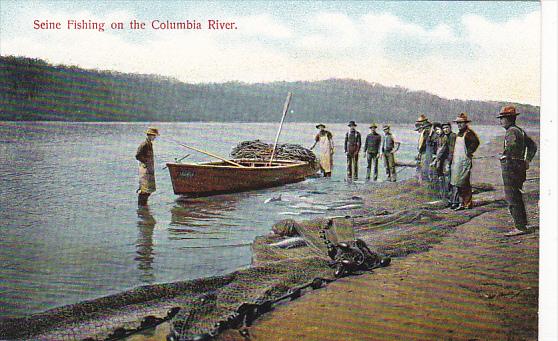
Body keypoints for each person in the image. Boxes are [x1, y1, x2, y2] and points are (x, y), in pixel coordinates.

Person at [497, 105, 538, 236]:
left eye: (502, 118)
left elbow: (512, 146)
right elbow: (532, 146)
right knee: (517, 196)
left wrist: (505, 155)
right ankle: (523, 224)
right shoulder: (520, 131)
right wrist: (526, 160)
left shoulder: (511, 131)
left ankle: (520, 227)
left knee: (512, 197)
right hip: (519, 167)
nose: (501, 121)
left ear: (509, 119)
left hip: (511, 167)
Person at [449, 113, 480, 210]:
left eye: (461, 123)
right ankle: (461, 202)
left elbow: (476, 142)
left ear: (465, 123)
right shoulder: (459, 133)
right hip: (457, 160)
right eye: (458, 123)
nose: (459, 125)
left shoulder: (469, 133)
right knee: (457, 182)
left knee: (464, 182)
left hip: (464, 161)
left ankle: (467, 203)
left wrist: (469, 152)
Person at [136, 127, 159, 206]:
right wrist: (145, 162)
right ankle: (141, 207)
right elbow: (137, 156)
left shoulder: (149, 143)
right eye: (154, 136)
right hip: (145, 169)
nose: (155, 137)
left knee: (148, 190)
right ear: (150, 135)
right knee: (144, 189)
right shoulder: (144, 144)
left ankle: (144, 208)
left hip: (149, 169)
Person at [430, 123, 449, 198]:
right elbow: (431, 140)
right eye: (435, 130)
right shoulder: (438, 138)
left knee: (444, 176)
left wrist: (436, 160)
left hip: (445, 159)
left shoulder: (445, 137)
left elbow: (442, 149)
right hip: (439, 159)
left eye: (438, 129)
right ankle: (442, 194)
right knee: (440, 176)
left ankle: (446, 195)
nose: (437, 131)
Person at [415, 114, 433, 183]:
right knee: (421, 167)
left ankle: (426, 182)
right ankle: (422, 181)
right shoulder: (423, 131)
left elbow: (427, 142)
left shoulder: (427, 130)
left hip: (427, 151)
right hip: (422, 152)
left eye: (422, 122)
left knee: (425, 168)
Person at [442, 122, 457, 207]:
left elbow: (452, 151)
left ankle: (454, 201)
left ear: (450, 128)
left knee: (452, 181)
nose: (445, 130)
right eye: (444, 128)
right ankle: (450, 200)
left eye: (447, 128)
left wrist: (448, 162)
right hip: (448, 160)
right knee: (448, 180)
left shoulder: (452, 136)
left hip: (453, 160)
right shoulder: (445, 137)